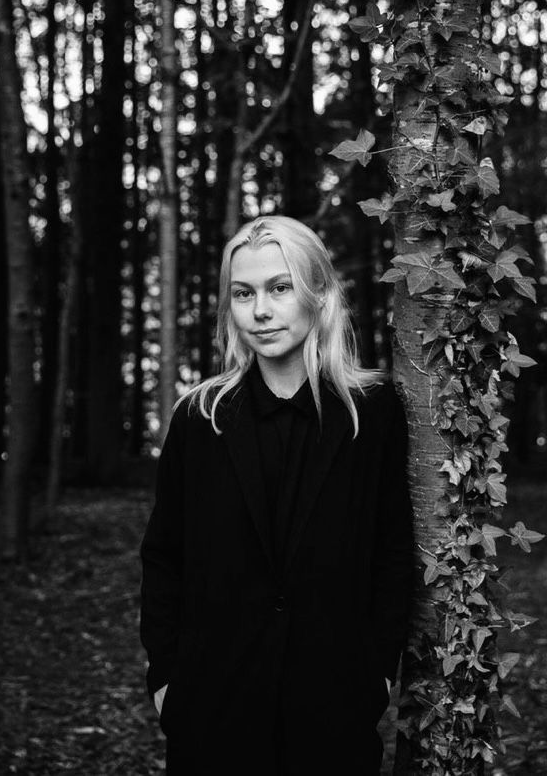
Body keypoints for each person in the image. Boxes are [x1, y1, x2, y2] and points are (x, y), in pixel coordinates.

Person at [139, 215, 415, 776]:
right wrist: (166, 679)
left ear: (317, 294)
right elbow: (164, 556)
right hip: (212, 709)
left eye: (279, 288)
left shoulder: (373, 411)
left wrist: (377, 675)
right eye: (243, 293)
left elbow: (392, 551)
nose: (260, 310)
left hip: (332, 709)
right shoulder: (201, 417)